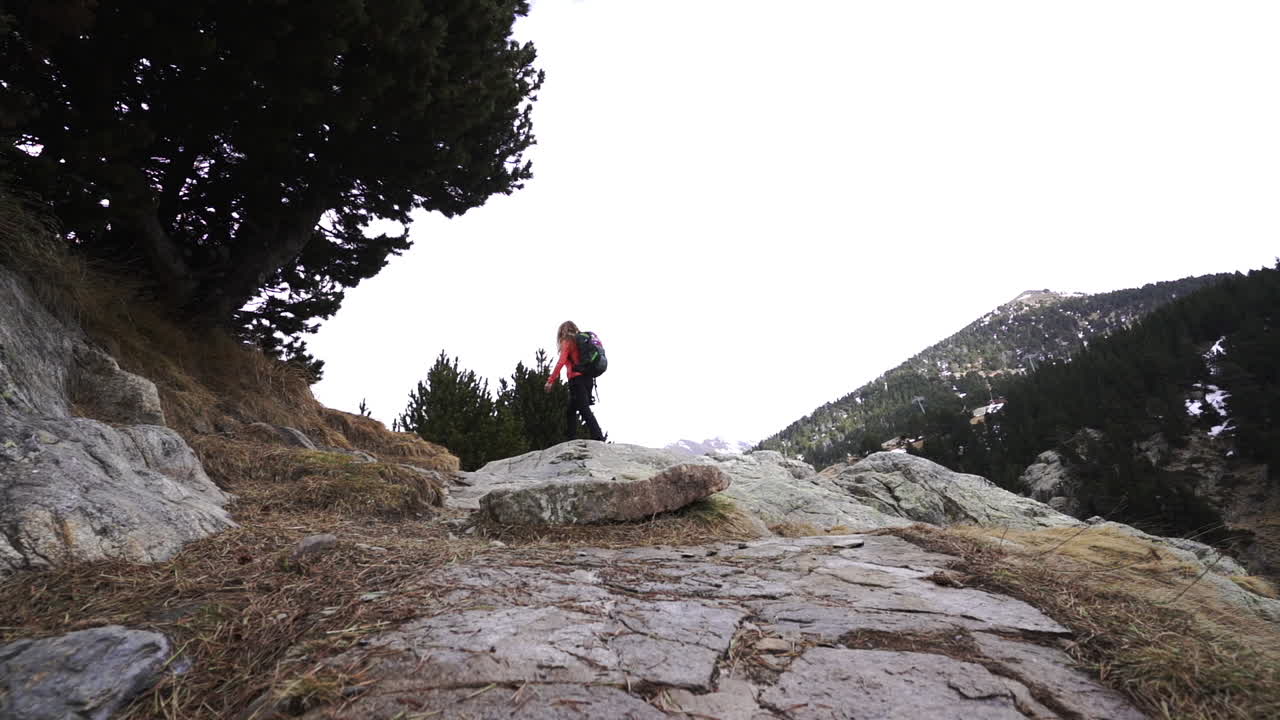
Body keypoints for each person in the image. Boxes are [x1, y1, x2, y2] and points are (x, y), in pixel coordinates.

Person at [544, 320, 605, 442]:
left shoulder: (567, 340)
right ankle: (571, 438)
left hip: (577, 380)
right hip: (588, 378)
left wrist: (550, 381)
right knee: (571, 410)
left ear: (562, 331)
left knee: (583, 409)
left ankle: (598, 437)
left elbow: (561, 362)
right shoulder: (581, 340)